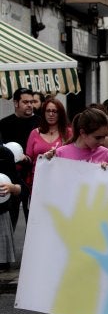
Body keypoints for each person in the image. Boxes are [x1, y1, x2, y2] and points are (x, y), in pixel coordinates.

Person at [43, 107, 108, 314]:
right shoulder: (61, 154)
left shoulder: (106, 154)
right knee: (73, 284)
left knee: (93, 287)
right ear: (82, 133)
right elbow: (51, 188)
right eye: (98, 137)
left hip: (98, 230)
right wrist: (48, 163)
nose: (103, 142)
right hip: (71, 231)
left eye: (106, 136)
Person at [0, 88, 38, 228]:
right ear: (16, 103)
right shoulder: (4, 124)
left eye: (32, 102)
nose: (30, 105)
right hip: (11, 177)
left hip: (34, 177)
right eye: (25, 102)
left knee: (35, 223)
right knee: (10, 220)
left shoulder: (39, 123)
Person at [25, 97, 71, 191]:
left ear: (60, 114)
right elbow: (29, 158)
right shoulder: (35, 133)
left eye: (55, 111)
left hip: (62, 182)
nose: (51, 114)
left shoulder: (69, 133)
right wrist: (23, 158)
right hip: (38, 181)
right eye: (48, 111)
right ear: (44, 113)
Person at [0, 143, 21, 272]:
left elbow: (19, 188)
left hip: (1, 212)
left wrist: (12, 187)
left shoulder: (4, 153)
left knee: (1, 265)